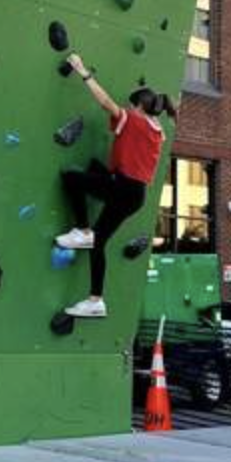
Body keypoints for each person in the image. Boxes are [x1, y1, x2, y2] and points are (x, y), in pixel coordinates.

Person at [55, 52, 176, 318]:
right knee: (99, 244)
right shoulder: (158, 131)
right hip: (134, 194)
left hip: (123, 188)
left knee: (71, 178)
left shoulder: (134, 120)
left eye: (132, 106)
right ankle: (96, 300)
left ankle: (83, 229)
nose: (129, 109)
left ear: (140, 107)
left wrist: (82, 71)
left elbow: (106, 102)